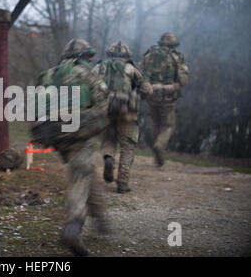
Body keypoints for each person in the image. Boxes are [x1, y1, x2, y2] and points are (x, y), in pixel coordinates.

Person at [31, 38, 110, 256]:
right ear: (86, 56)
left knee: (82, 169)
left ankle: (100, 216)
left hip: (54, 134)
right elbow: (104, 104)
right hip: (80, 132)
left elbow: (35, 106)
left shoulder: (47, 74)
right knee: (80, 172)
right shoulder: (88, 73)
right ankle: (73, 226)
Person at [94, 42, 152, 193]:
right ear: (127, 56)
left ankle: (108, 158)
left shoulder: (99, 67)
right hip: (127, 112)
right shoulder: (132, 69)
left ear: (109, 54)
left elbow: (88, 85)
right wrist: (137, 95)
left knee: (108, 139)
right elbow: (148, 90)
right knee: (127, 146)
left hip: (105, 110)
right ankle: (122, 183)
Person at [138, 33, 189, 166]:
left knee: (155, 123)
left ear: (161, 43)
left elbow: (139, 72)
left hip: (151, 95)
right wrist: (174, 85)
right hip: (168, 97)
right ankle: (160, 145)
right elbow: (183, 79)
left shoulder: (149, 54)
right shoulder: (177, 57)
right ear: (173, 45)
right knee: (168, 125)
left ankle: (157, 157)